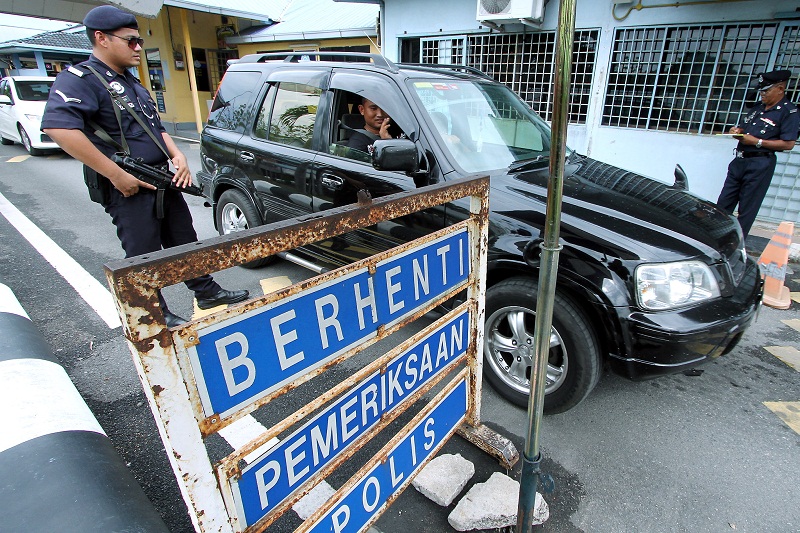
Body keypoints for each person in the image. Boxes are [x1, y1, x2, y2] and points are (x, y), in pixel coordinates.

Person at [41, 5, 248, 327]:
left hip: (160, 177)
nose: (139, 47)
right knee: (143, 251)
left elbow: (155, 128)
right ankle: (153, 313)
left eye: (139, 41)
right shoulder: (82, 79)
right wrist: (115, 174)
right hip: (127, 183)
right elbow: (59, 129)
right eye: (131, 41)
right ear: (102, 39)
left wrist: (177, 155)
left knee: (183, 239)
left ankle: (206, 291)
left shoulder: (132, 83)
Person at [716, 69, 800, 239]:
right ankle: (715, 238)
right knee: (722, 205)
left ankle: (735, 245)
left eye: (766, 90)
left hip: (760, 164)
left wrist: (757, 142)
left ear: (780, 89)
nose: (762, 94)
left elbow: (788, 143)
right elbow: (745, 129)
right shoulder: (757, 109)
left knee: (747, 209)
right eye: (761, 90)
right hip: (739, 161)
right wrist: (737, 131)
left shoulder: (789, 112)